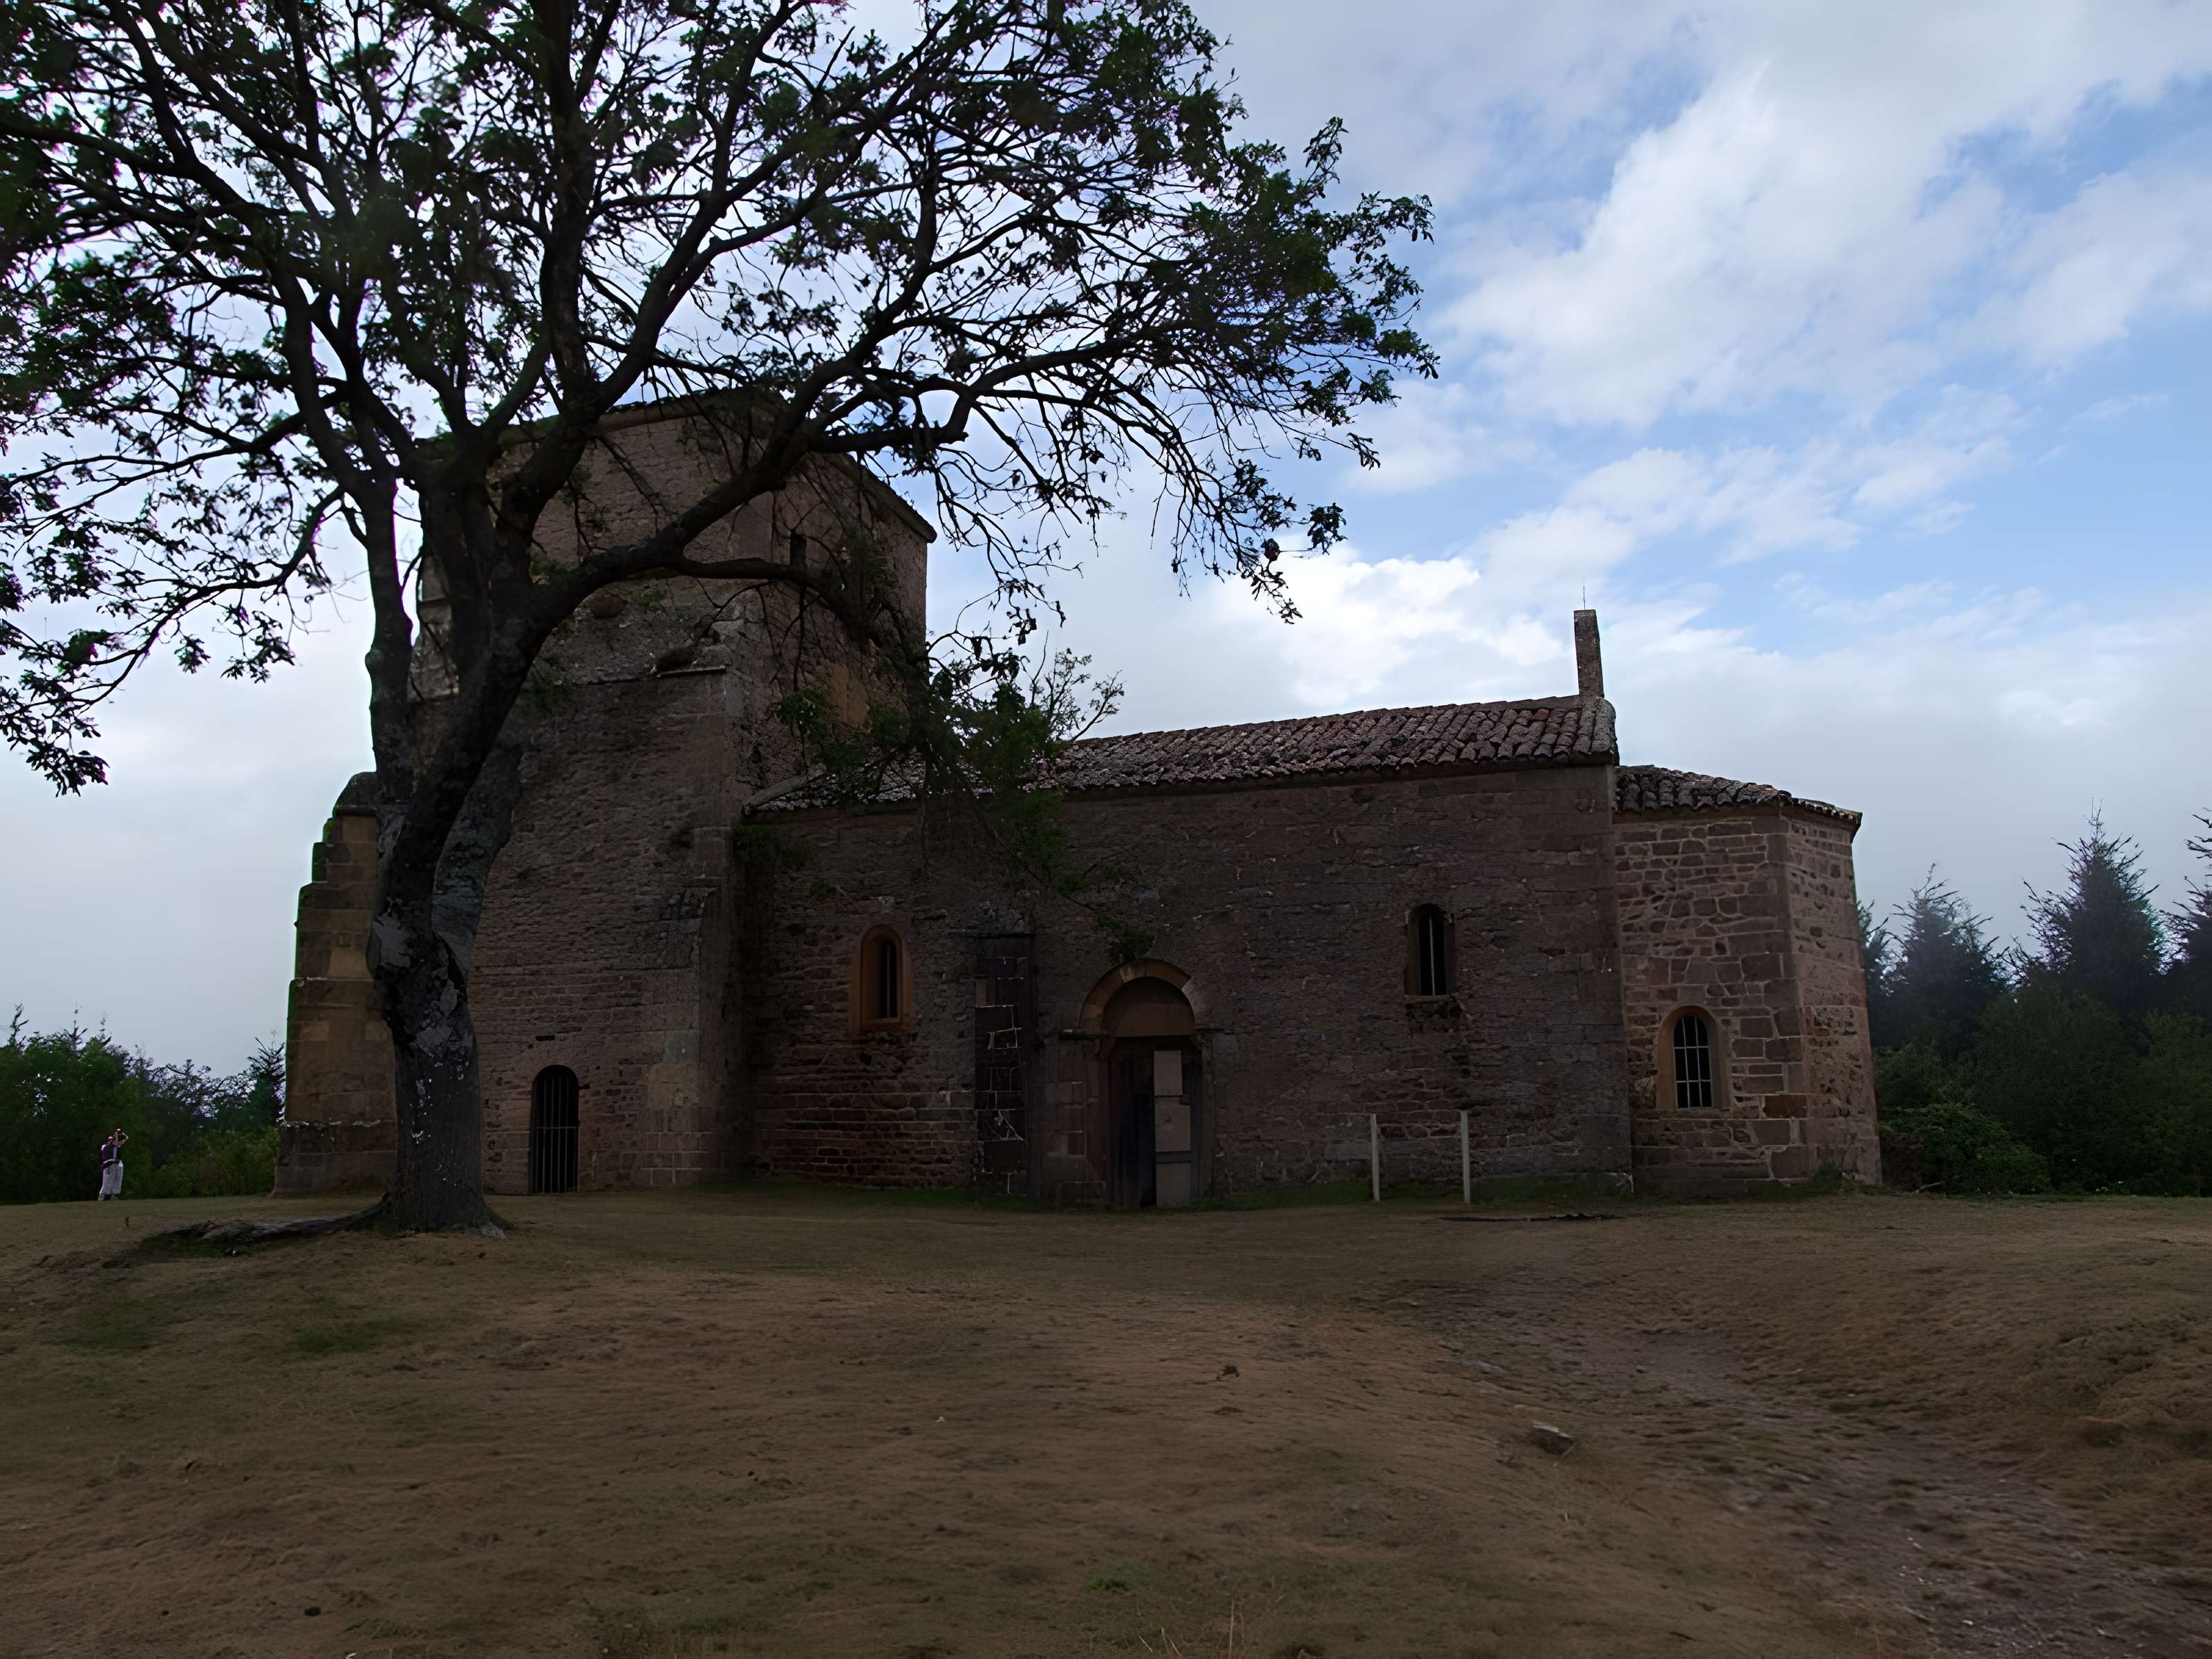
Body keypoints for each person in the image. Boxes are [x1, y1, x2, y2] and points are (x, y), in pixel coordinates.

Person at [97, 1129, 127, 1201]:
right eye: (109, 1139)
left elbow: (126, 1138)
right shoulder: (105, 1146)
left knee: (117, 1180)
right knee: (106, 1180)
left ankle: (114, 1195)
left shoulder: (117, 1144)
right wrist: (102, 1164)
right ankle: (102, 1195)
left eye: (112, 1139)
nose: (111, 1140)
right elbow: (102, 1156)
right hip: (108, 1164)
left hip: (115, 1163)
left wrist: (121, 1133)